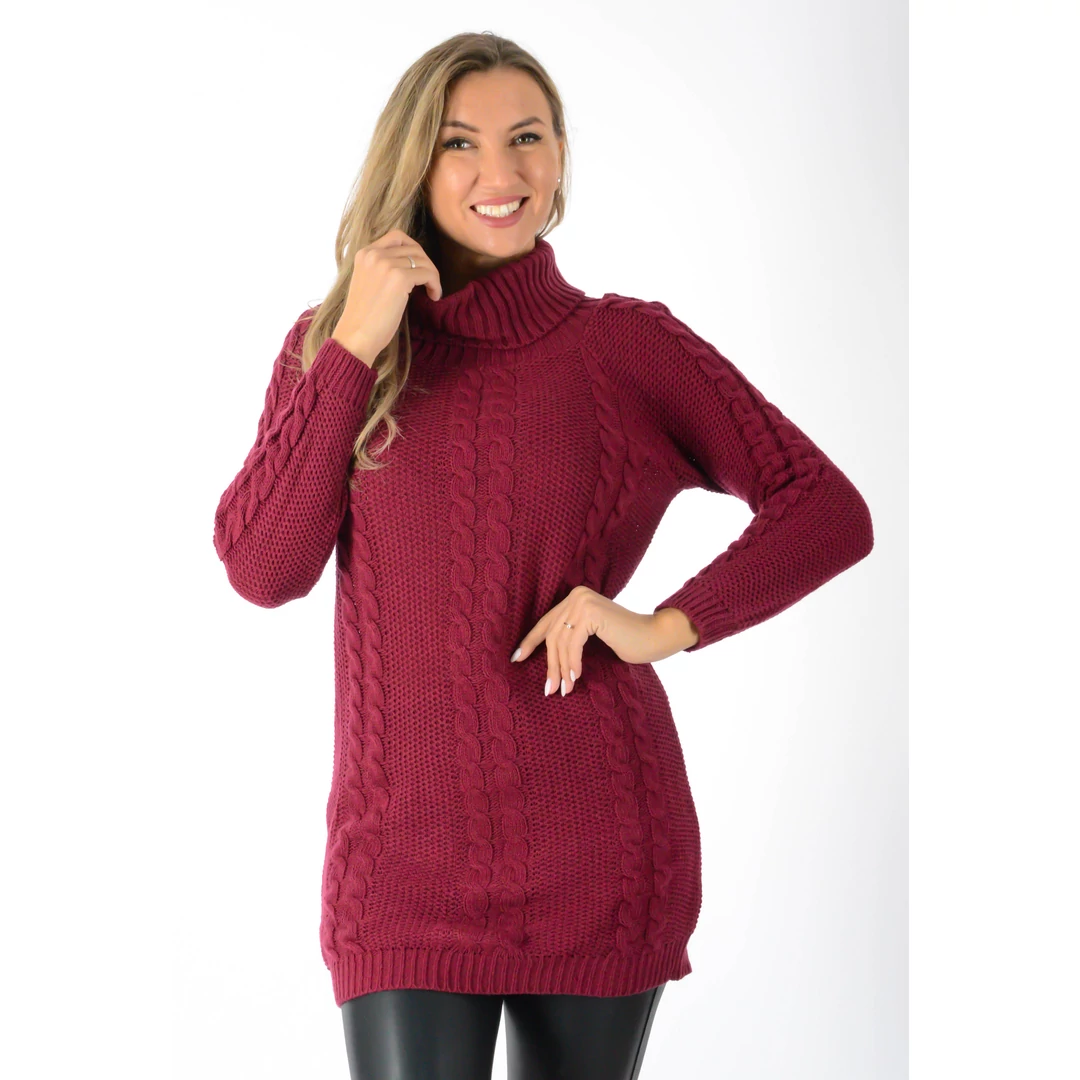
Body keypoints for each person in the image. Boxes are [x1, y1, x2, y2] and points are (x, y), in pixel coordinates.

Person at [212, 31, 874, 1080]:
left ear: (561, 155)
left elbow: (825, 508)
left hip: (597, 848)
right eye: (460, 142)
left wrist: (661, 626)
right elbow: (262, 568)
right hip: (400, 869)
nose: (500, 170)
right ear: (414, 161)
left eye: (527, 137)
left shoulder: (626, 349)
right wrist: (354, 346)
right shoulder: (332, 349)